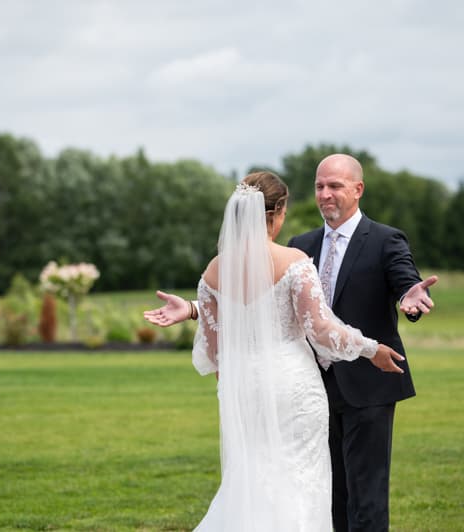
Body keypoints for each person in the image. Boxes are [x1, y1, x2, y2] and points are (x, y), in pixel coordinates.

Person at [145, 157, 437, 530]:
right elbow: (306, 322)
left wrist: (408, 296)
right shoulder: (298, 250)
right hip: (301, 386)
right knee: (311, 490)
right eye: (319, 186)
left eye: (335, 186)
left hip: (354, 389)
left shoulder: (385, 239)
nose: (325, 194)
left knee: (357, 494)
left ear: (358, 189)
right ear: (278, 211)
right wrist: (370, 347)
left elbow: (237, 319)